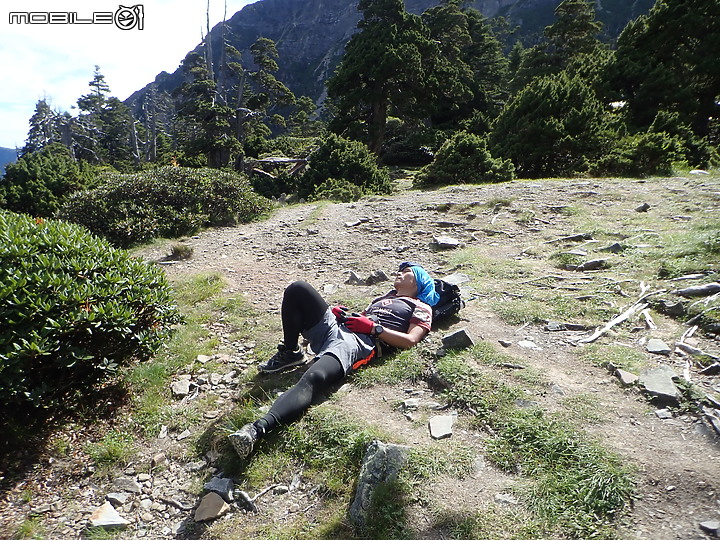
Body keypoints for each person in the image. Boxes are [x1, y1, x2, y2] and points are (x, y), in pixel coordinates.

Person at [228, 262, 440, 459]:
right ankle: (291, 353)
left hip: (359, 342)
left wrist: (374, 328)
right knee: (298, 289)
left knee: (312, 378)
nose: (399, 273)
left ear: (419, 282)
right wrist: (340, 315)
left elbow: (411, 340)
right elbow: (362, 318)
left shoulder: (421, 307)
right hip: (337, 328)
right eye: (399, 270)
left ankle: (256, 430)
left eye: (407, 272)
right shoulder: (383, 298)